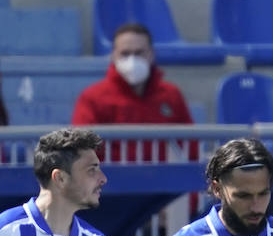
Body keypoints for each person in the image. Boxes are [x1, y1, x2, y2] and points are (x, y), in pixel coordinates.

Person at [72, 22, 193, 161]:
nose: (132, 59)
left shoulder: (171, 95)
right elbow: (82, 151)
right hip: (111, 179)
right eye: (125, 53)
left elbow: (191, 146)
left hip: (162, 178)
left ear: (151, 54)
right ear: (113, 56)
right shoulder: (92, 98)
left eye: (139, 53)